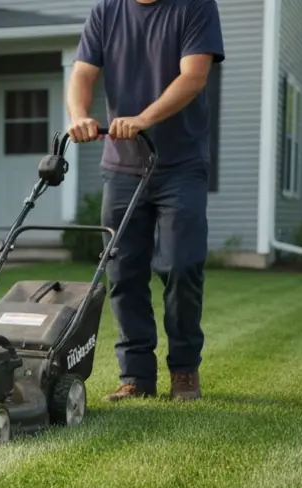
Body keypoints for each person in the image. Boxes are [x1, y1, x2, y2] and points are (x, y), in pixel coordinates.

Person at [66, 0, 224, 402]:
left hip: (181, 165)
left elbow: (194, 75)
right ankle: (136, 377)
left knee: (182, 266)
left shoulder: (195, 6)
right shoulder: (107, 11)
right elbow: (82, 72)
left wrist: (144, 118)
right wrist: (79, 114)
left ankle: (184, 370)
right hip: (121, 167)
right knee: (123, 272)